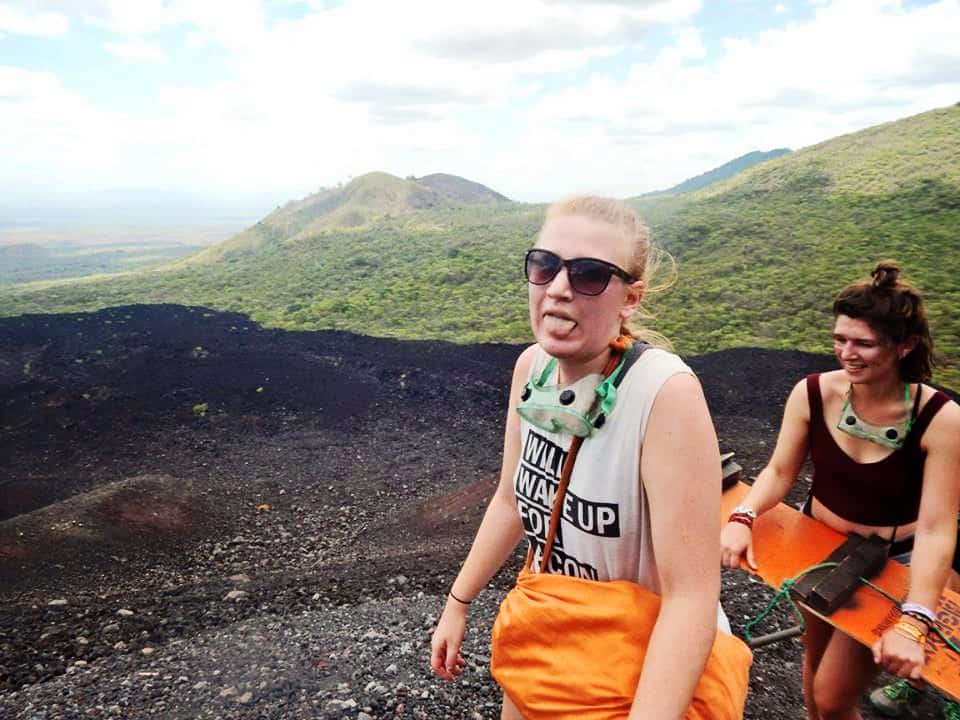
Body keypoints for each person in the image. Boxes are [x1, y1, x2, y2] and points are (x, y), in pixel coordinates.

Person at [429, 196, 734, 719]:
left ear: (631, 297)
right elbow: (510, 501)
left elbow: (691, 596)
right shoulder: (533, 368)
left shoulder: (664, 395)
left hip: (636, 661)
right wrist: (458, 604)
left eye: (590, 274)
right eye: (545, 265)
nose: (559, 288)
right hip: (551, 632)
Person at [721, 261, 960, 720]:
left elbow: (935, 527)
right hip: (820, 545)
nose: (847, 353)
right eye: (840, 339)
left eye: (864, 344)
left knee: (832, 695)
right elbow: (778, 471)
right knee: (812, 669)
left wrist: (916, 618)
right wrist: (743, 516)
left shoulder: (940, 418)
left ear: (904, 346)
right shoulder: (813, 393)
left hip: (893, 562)